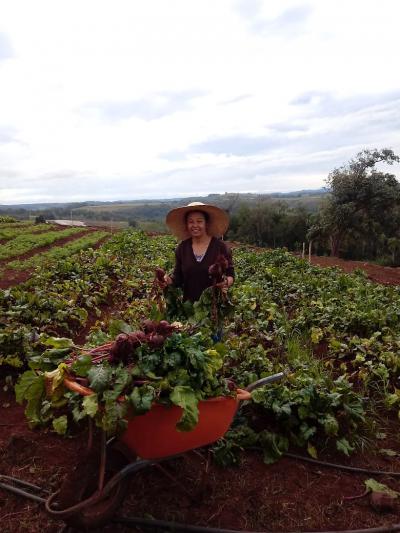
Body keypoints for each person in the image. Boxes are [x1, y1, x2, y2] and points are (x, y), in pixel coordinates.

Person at [162, 202, 234, 302]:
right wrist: (167, 280)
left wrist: (225, 282)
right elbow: (177, 278)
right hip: (189, 307)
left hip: (215, 305)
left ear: (206, 223)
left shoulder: (220, 247)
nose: (195, 225)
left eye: (199, 221)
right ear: (186, 225)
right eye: (191, 222)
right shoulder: (182, 249)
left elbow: (231, 275)